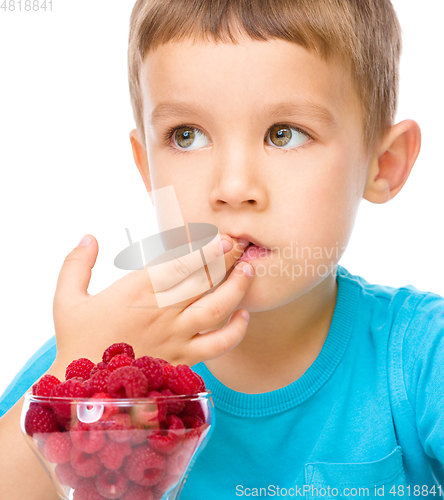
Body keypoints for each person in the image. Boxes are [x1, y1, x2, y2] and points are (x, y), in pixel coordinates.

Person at [1, 0, 442, 498]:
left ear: (383, 165)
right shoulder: (106, 348)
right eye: (186, 137)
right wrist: (79, 380)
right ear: (147, 169)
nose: (233, 188)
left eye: (284, 134)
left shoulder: (422, 356)